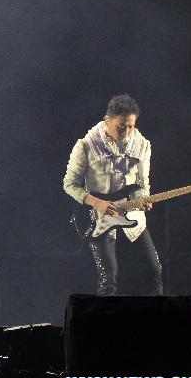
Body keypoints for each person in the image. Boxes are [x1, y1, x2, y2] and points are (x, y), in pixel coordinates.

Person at [63, 94, 161, 295]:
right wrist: (97, 203)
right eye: (121, 127)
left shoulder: (143, 145)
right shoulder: (86, 145)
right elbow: (69, 184)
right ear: (107, 120)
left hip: (132, 215)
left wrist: (144, 200)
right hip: (100, 218)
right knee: (108, 281)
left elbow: (143, 183)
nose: (126, 132)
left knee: (154, 273)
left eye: (131, 126)